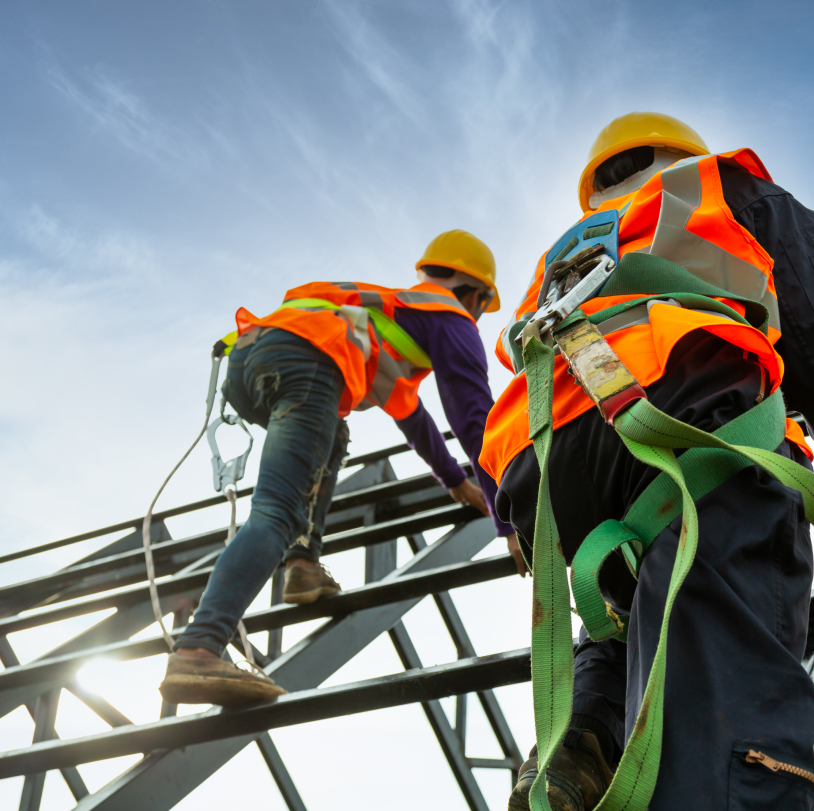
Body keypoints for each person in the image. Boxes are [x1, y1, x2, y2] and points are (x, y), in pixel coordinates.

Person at [479, 113, 814, 810]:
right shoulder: (721, 188)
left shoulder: (566, 256)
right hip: (684, 401)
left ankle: (578, 739)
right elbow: (806, 308)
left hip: (540, 468)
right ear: (683, 152)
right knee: (721, 649)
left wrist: (511, 520)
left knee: (628, 602)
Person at [159, 229, 521, 707]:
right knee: (276, 512)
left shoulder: (388, 318)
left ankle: (303, 564)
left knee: (334, 435)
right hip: (306, 362)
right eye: (480, 307)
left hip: (251, 361)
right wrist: (509, 519)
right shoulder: (451, 317)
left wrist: (455, 480)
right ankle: (200, 647)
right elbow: (475, 420)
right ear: (475, 293)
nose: (476, 317)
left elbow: (413, 418)